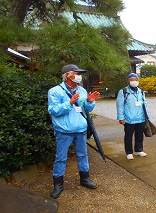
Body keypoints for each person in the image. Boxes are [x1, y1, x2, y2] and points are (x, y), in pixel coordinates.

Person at [48, 64, 100, 199]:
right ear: (67, 75)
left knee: (83, 155)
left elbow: (86, 109)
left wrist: (90, 101)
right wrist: (69, 103)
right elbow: (53, 110)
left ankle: (85, 179)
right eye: (76, 73)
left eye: (79, 73)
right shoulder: (55, 91)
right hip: (64, 130)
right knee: (61, 158)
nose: (78, 76)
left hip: (80, 129)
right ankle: (58, 185)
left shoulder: (81, 90)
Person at [116, 73, 149, 160]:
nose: (133, 81)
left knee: (139, 135)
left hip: (140, 118)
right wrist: (121, 118)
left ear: (138, 80)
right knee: (128, 136)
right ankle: (129, 152)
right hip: (129, 119)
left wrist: (147, 116)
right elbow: (120, 105)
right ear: (128, 81)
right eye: (131, 79)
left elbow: (144, 104)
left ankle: (139, 150)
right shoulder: (123, 91)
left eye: (135, 79)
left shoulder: (141, 91)